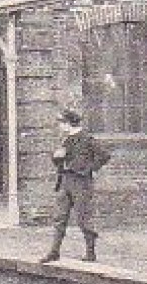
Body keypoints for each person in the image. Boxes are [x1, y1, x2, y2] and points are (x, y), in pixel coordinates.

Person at [41, 108, 111, 263]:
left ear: (68, 123)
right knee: (60, 218)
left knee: (83, 218)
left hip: (81, 183)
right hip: (65, 181)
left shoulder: (87, 138)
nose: (59, 126)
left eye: (61, 122)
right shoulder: (66, 140)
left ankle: (90, 253)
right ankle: (54, 252)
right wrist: (56, 157)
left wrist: (89, 169)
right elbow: (60, 159)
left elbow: (105, 155)